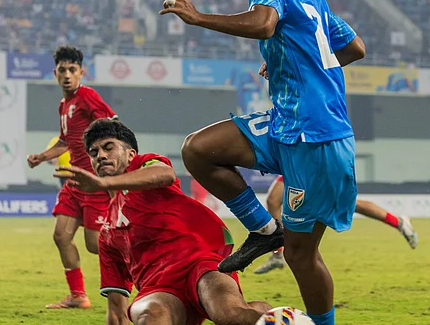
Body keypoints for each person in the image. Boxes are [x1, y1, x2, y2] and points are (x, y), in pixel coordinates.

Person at [160, 0, 367, 324]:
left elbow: (264, 23)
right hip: (286, 123)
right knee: (198, 149)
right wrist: (288, 59)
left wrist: (198, 18)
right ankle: (262, 228)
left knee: (301, 255)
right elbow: (353, 46)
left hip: (317, 136)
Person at [54, 119, 271, 325]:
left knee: (229, 315)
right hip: (159, 290)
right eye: (94, 153)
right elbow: (116, 309)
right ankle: (260, 311)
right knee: (150, 315)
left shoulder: (145, 165)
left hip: (200, 265)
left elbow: (165, 173)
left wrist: (105, 183)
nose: (100, 155)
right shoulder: (107, 234)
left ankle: (271, 316)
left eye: (108, 147)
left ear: (131, 154)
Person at [26, 46, 118, 309]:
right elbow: (65, 141)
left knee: (94, 245)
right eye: (62, 70)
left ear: (81, 72)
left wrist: (109, 164)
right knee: (61, 236)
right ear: (55, 73)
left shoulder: (87, 96)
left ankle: (141, 265)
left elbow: (113, 125)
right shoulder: (64, 104)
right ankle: (78, 295)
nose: (67, 75)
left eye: (72, 70)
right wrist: (41, 157)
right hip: (73, 182)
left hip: (93, 183)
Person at [254, 176, 417, 274]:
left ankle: (398, 222)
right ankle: (279, 252)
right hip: (298, 157)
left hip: (315, 158)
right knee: (273, 200)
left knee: (348, 204)